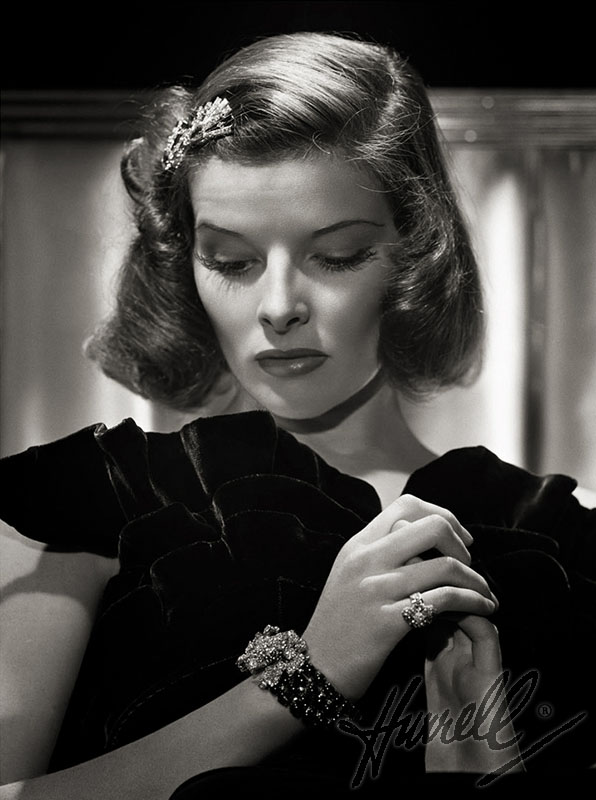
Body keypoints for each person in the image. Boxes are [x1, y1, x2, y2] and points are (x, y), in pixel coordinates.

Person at [0, 31, 594, 799]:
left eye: (336, 255)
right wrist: (304, 679)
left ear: (416, 254)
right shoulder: (83, 500)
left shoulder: (559, 537)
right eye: (232, 260)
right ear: (184, 263)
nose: (279, 307)